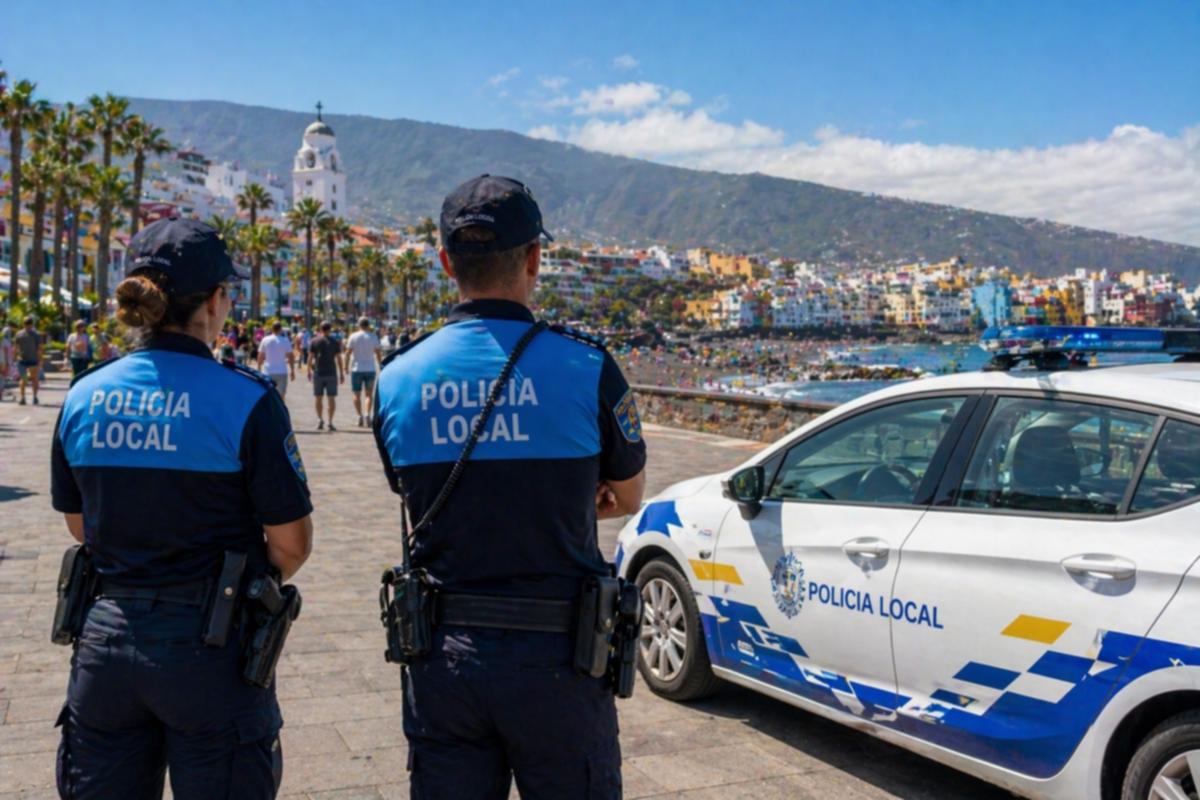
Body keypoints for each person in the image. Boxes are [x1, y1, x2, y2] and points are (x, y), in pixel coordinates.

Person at [373, 175, 646, 799]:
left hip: (444, 659)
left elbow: (407, 491)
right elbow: (628, 498)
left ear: (447, 263)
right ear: (534, 259)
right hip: (561, 659)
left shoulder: (398, 378)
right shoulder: (587, 366)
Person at [49, 217, 314, 799]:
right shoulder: (245, 399)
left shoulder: (85, 393)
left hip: (107, 642)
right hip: (211, 648)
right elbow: (291, 544)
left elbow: (79, 524)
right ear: (217, 302)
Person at [307, 320, 343, 431]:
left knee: (318, 397)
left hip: (318, 372)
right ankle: (330, 422)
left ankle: (320, 419)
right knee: (331, 398)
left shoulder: (314, 341)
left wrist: (308, 370)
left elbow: (310, 357)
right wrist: (341, 372)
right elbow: (339, 358)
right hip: (331, 372)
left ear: (320, 329)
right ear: (330, 329)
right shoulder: (334, 342)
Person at [346, 316, 381, 426]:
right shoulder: (373, 337)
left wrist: (345, 367)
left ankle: (359, 416)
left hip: (356, 368)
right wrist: (380, 364)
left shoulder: (353, 336)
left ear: (359, 325)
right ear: (368, 325)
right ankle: (367, 414)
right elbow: (378, 352)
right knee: (369, 395)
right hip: (370, 368)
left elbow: (348, 353)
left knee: (356, 394)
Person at [257, 322, 295, 398]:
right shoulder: (285, 340)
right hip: (281, 372)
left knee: (268, 396)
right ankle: (280, 410)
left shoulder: (265, 340)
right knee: (281, 397)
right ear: (280, 329)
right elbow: (291, 356)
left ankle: (270, 410)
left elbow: (260, 356)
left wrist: (259, 368)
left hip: (268, 372)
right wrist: (292, 370)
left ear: (272, 329)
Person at [15, 315, 42, 405]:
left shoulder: (19, 334)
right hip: (29, 359)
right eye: (28, 323)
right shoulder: (36, 334)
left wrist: (16, 356)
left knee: (25, 379)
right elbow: (39, 348)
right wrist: (40, 360)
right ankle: (31, 397)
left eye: (28, 323)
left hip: (26, 359)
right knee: (31, 379)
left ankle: (26, 397)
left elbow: (16, 347)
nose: (28, 325)